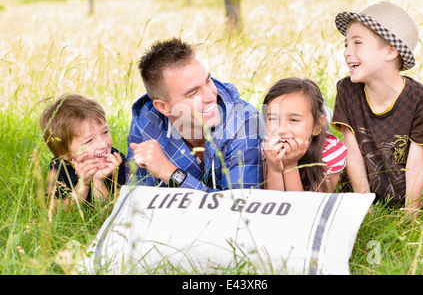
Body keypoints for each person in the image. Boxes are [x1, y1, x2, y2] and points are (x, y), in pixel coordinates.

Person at [332, 1, 423, 217]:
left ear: (390, 51)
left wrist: (411, 215)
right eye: (345, 44)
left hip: (420, 178)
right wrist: (363, 206)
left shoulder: (422, 101)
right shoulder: (347, 90)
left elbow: (417, 164)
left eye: (357, 43)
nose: (347, 52)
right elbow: (353, 152)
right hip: (375, 176)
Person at [126, 38, 264, 191]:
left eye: (208, 81)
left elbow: (238, 208)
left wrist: (169, 173)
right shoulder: (146, 121)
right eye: (193, 93)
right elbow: (137, 199)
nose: (211, 96)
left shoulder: (244, 123)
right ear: (163, 107)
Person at [262, 77, 347, 192]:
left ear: (317, 125)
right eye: (273, 118)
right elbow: (273, 202)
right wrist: (273, 167)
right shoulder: (268, 147)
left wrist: (290, 165)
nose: (281, 129)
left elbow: (307, 207)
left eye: (293, 120)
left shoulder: (330, 152)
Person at [40, 94, 125, 207]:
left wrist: (98, 181)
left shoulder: (118, 163)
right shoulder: (59, 167)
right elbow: (57, 210)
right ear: (64, 153)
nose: (103, 144)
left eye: (105, 132)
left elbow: (110, 216)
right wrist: (83, 185)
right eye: (89, 141)